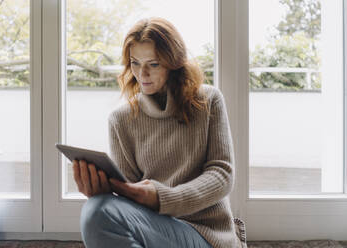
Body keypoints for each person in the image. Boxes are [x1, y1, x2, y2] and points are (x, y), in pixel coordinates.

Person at [73, 17, 245, 248]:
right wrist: (103, 191)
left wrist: (163, 198)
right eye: (135, 63)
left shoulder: (208, 100)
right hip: (155, 231)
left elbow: (222, 175)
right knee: (95, 210)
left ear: (174, 63)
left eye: (153, 64)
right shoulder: (120, 120)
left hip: (206, 235)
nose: (142, 74)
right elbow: (128, 201)